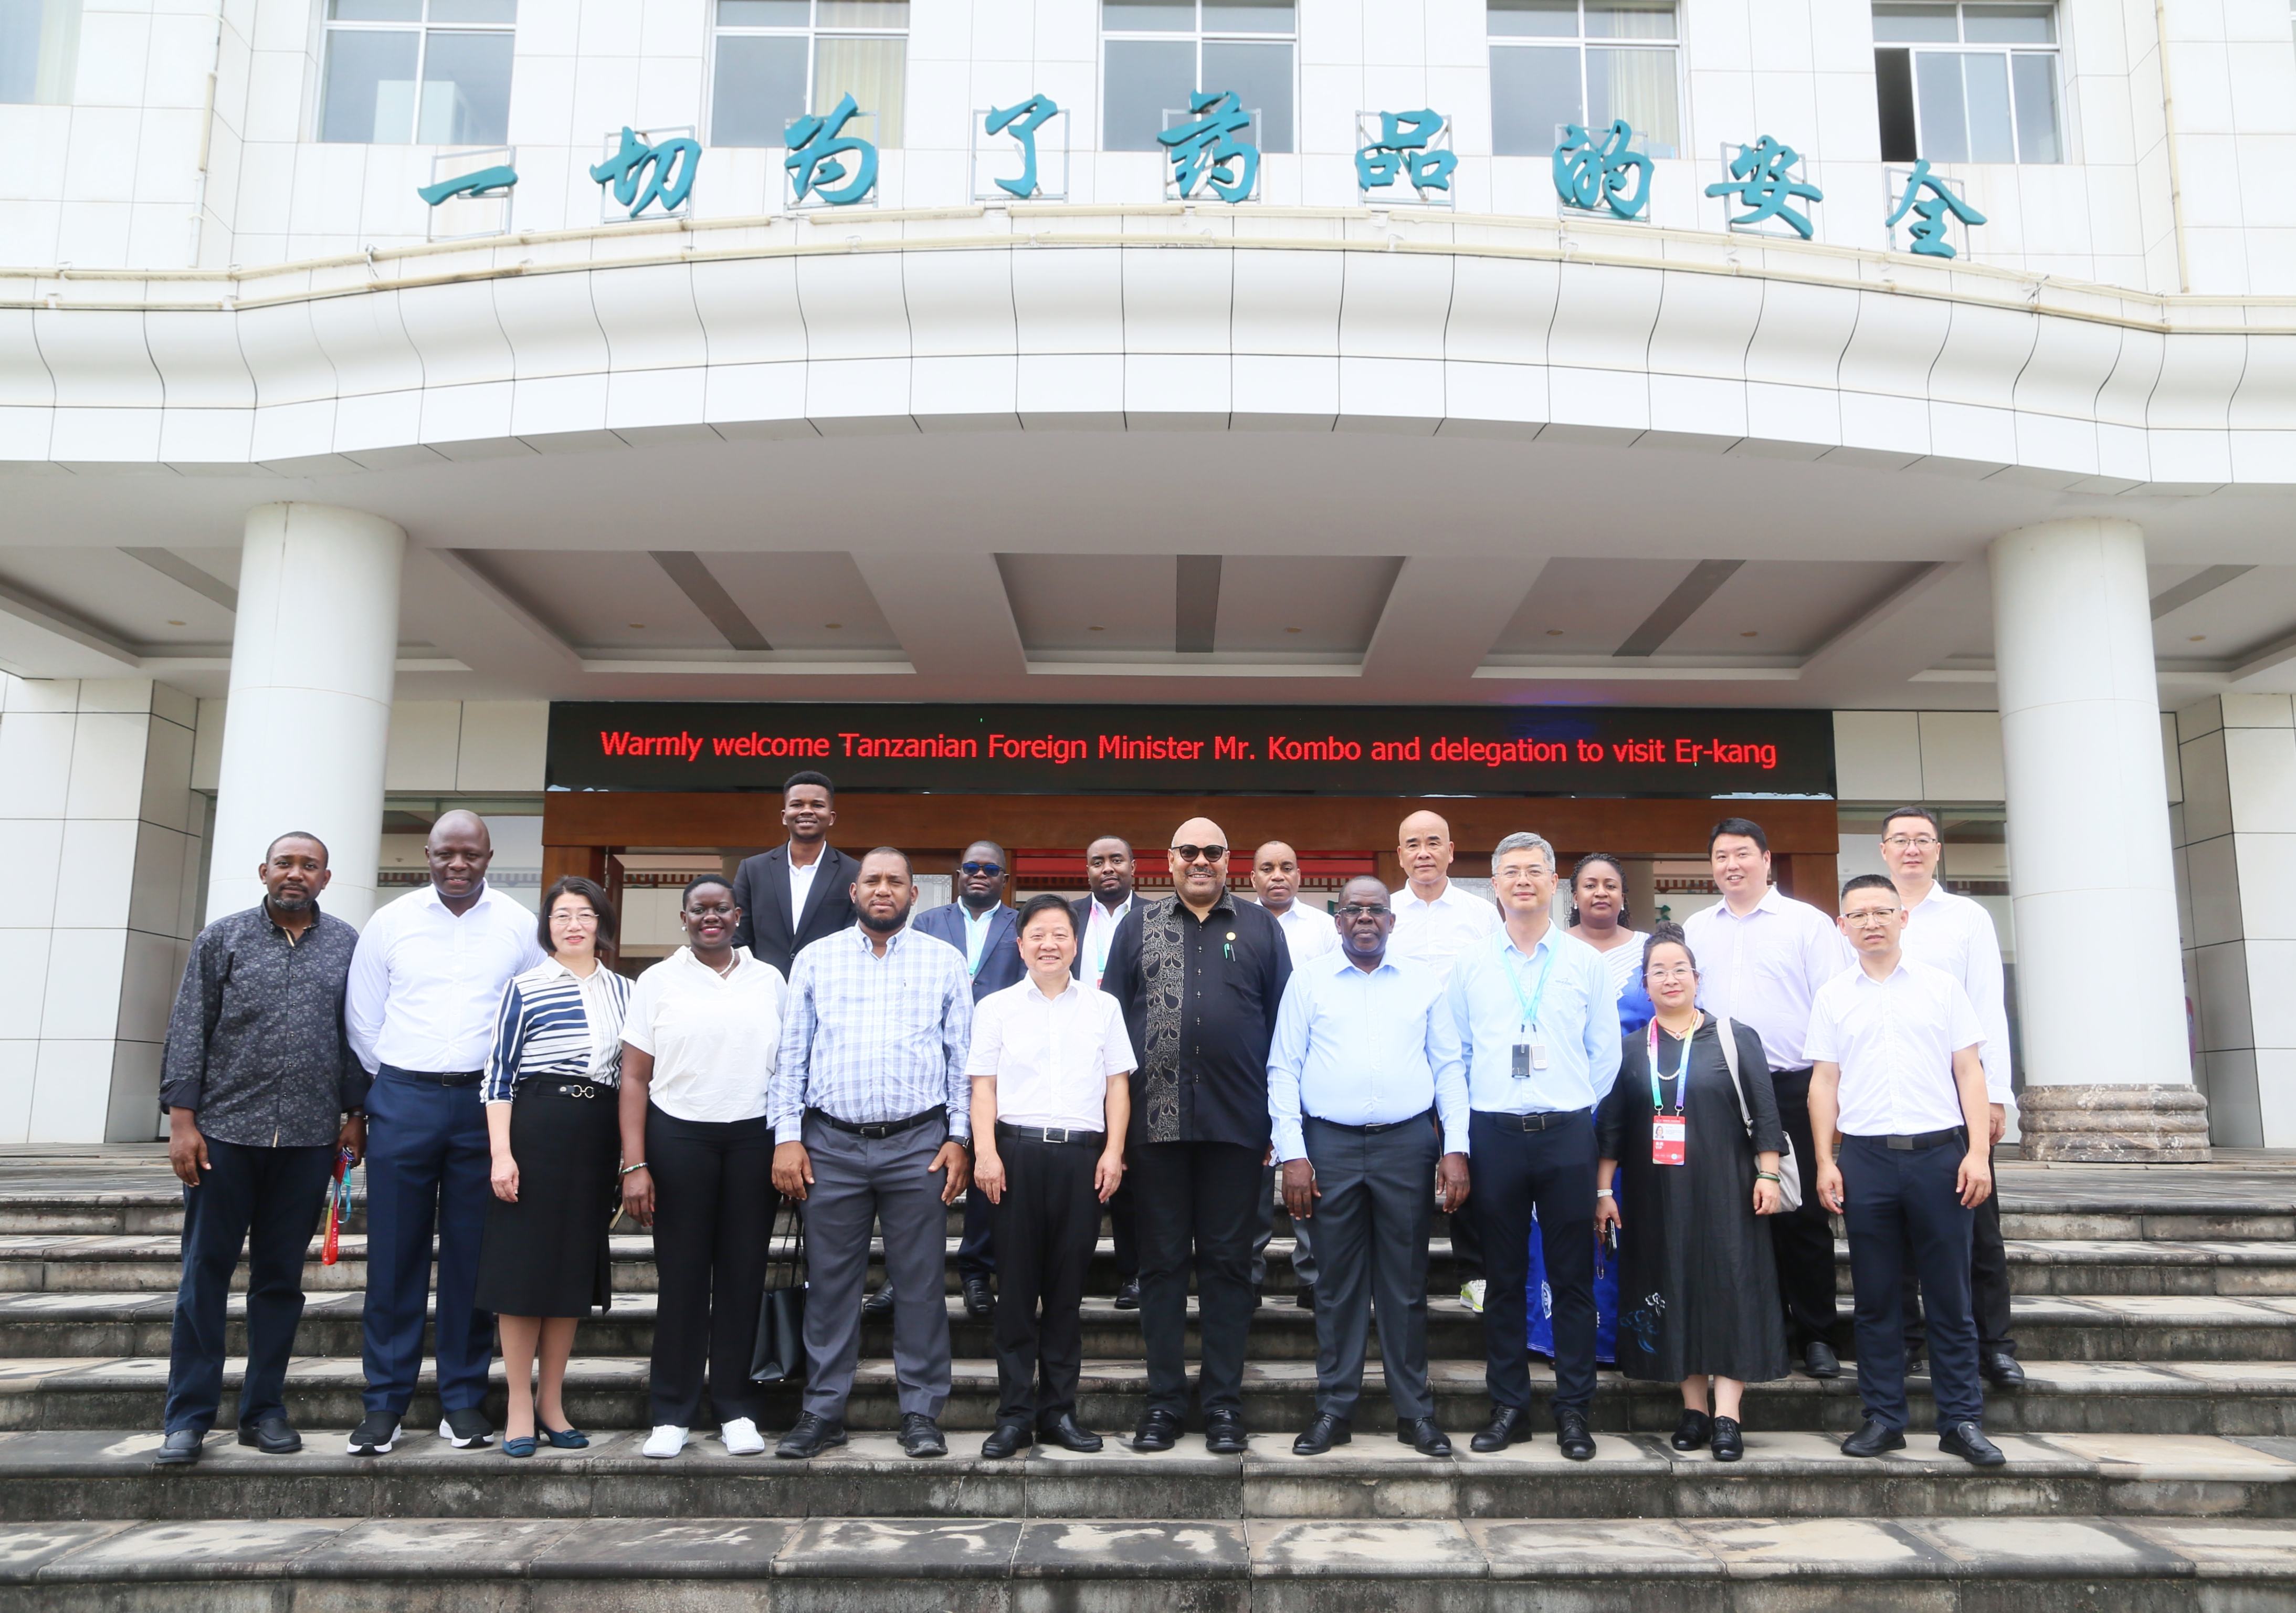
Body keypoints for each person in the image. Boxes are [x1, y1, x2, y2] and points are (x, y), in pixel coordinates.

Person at [154, 833, 364, 1467]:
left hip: (307, 1140)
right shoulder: (222, 939)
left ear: (326, 878)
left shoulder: (347, 945)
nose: (295, 873)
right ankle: (187, 1418)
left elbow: (356, 1036)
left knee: (279, 1282)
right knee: (204, 1276)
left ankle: (263, 1411)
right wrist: (182, 1122)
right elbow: (188, 1028)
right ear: (264, 872)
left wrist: (356, 1115)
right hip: (223, 1137)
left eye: (309, 865)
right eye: (284, 864)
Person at [345, 810, 544, 1457]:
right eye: (445, 854)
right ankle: (384, 1405)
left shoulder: (518, 925)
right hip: (403, 1100)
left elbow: (534, 1013)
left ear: (489, 857)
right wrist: (402, 1079)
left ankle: (462, 1401)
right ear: (427, 855)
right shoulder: (390, 922)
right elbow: (363, 1021)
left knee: (472, 1260)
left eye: (471, 855)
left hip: (485, 1107)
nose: (458, 865)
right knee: (393, 1257)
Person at [770, 849, 974, 1460]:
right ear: (854, 892)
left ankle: (921, 1412)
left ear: (915, 894)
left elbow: (962, 1061)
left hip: (920, 1145)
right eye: (873, 881)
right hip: (830, 1146)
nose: (883, 890)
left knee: (920, 1284)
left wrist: (960, 1138)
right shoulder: (816, 959)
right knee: (831, 1286)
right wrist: (786, 1136)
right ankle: (822, 1411)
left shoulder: (944, 961)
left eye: (895, 882)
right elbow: (791, 1058)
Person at [1103, 819, 1291, 1454]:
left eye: (1213, 851)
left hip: (1238, 1127)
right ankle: (1163, 1404)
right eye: (1189, 851)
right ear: (1170, 859)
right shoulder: (1138, 926)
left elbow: (1285, 1030)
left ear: (1229, 859)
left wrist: (1279, 1123)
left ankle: (1223, 1406)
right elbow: (1111, 1028)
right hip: (1154, 1127)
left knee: (1229, 1267)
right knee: (1159, 1267)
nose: (1201, 860)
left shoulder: (1262, 928)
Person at [1808, 874, 2005, 1469]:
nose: (1871, 922)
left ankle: (1961, 1421)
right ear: (1842, 927)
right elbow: (1825, 1081)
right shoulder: (1833, 996)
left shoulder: (1942, 988)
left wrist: (1977, 1152)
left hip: (1940, 1157)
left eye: (1881, 911)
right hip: (1866, 1159)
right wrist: (1825, 1160)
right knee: (1875, 1298)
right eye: (1858, 915)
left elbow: (1969, 1072)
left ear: (1903, 918)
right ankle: (1883, 1418)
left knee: (1950, 1295)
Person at [1270, 876, 1469, 1458]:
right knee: (1335, 1286)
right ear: (1337, 921)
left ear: (1391, 920)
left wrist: (1455, 1146)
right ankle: (1334, 1409)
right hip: (1328, 1146)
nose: (1364, 918)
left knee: (1405, 1286)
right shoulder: (1308, 981)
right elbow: (1283, 1069)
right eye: (1353, 909)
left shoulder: (1422, 982)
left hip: (1407, 1146)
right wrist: (1293, 1153)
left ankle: (1416, 1414)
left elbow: (1449, 1068)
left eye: (1375, 910)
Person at [1447, 831, 1620, 1460]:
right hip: (1494, 1135)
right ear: (1494, 885)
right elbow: (1456, 1056)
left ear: (1554, 884)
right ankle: (1509, 1408)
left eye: (1535, 870)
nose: (1523, 880)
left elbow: (1606, 1053)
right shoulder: (1470, 964)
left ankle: (1574, 1411)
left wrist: (1572, 1107)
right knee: (1503, 1277)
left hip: (1567, 1134)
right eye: (1511, 872)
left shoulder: (1584, 963)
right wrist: (1460, 1140)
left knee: (1572, 1278)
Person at [1594, 925, 1787, 1464]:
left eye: (1680, 969)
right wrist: (1604, 1190)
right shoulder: (1631, 1049)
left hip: (1729, 1186)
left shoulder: (1733, 1036)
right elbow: (1611, 1128)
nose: (1670, 979)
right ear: (1644, 984)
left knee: (1731, 1285)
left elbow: (1765, 1111)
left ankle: (1728, 1415)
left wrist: (1769, 1175)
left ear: (1697, 978)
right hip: (1657, 1193)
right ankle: (1694, 1409)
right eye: (1658, 971)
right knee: (1672, 1285)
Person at [617, 875, 788, 1459]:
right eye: (699, 910)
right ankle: (672, 1412)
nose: (710, 917)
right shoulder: (657, 981)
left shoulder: (769, 979)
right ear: (684, 918)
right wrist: (634, 1163)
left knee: (743, 1275)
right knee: (683, 1277)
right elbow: (634, 1077)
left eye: (721, 909)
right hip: (678, 1135)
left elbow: (790, 1067)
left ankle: (736, 1409)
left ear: (738, 916)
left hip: (753, 1138)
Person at [1681, 816, 1853, 1381]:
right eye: (1721, 856)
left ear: (1766, 859)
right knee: (1735, 1212)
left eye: (1742, 854)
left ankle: (1817, 1334)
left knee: (1799, 1212)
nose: (1732, 865)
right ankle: (1760, 1328)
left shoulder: (1806, 924)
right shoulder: (1697, 928)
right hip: (1719, 1089)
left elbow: (1835, 1005)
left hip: (1791, 1086)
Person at [966, 894, 1133, 1459]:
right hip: (1015, 1157)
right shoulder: (996, 1008)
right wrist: (985, 1154)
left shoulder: (1103, 1007)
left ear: (1076, 943)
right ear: (1020, 945)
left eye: (1060, 934)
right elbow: (983, 1087)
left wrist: (1114, 1152)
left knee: (1065, 1293)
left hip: (1081, 1160)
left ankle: (1059, 1412)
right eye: (1037, 935)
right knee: (1015, 1293)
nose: (1049, 945)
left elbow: (1117, 1086)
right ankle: (1014, 1417)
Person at [476, 876, 631, 1458]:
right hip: (535, 1130)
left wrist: (628, 1155)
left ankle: (552, 1403)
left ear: (601, 924)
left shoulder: (628, 992)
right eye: (562, 915)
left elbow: (633, 1076)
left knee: (570, 1274)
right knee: (523, 1274)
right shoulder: (525, 987)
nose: (573, 925)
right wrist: (502, 1153)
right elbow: (498, 1075)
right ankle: (518, 1404)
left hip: (596, 1137)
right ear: (547, 926)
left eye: (585, 914)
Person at [1883, 806, 2021, 1388]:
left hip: (1960, 1092)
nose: (1911, 849)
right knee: (1896, 1233)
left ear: (1938, 850)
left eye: (1923, 839)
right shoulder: (1869, 912)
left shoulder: (1968, 918)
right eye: (1900, 840)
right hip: (1890, 1097)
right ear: (1884, 851)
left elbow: (1990, 1006)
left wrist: (1996, 1097)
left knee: (1978, 1228)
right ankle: (1907, 1341)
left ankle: (1995, 1345)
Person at [1386, 808, 1501, 1311]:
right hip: (1402, 1061)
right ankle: (1401, 1280)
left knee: (1468, 1163)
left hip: (1468, 1062)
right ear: (1400, 855)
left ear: (1451, 851)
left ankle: (1474, 1274)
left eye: (1434, 842)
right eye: (1413, 844)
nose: (1424, 853)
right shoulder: (1385, 911)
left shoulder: (1481, 914)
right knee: (1406, 1170)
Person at [914, 840, 1025, 1321]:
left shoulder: (1021, 924)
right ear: (959, 875)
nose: (980, 874)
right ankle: (906, 1276)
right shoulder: (927, 923)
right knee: (921, 1174)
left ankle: (977, 1273)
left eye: (990, 869)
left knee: (985, 1168)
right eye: (971, 867)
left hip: (998, 1065)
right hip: (931, 1061)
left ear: (1005, 879)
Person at [1247, 841, 1329, 1311]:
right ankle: (1248, 1276)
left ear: (1300, 876)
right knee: (1251, 1177)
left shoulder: (1323, 929)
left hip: (1310, 1065)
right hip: (1249, 1065)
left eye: (1286, 868)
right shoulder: (1235, 922)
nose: (1277, 875)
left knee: (1308, 1171)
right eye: (1267, 868)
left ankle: (1313, 1276)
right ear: (1252, 878)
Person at [1072, 834, 1143, 1310]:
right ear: (1088, 871)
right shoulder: (1067, 916)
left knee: (1131, 1170)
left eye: (1117, 859)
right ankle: (1067, 1274)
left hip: (1137, 1061)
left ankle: (1133, 1272)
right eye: (1098, 862)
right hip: (1074, 1058)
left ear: (1134, 867)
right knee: (1077, 1168)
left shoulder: (1157, 916)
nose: (1108, 868)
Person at [730, 771, 858, 978]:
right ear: (784, 816)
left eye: (817, 805)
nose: (807, 811)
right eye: (797, 804)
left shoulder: (854, 873)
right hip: (764, 989)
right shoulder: (753, 870)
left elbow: (856, 940)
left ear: (831, 817)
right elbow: (738, 938)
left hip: (828, 987)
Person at [1566, 853, 1652, 1039]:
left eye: (1610, 886)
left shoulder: (1649, 949)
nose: (1601, 893)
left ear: (1622, 898)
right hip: (1569, 1056)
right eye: (1590, 886)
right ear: (1575, 898)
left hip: (1640, 1055)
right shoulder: (1554, 947)